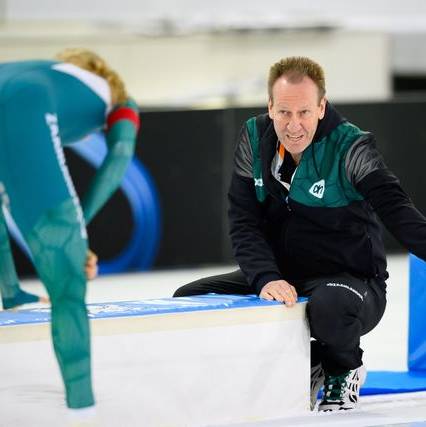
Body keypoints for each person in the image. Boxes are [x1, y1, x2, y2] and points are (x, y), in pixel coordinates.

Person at [173, 56, 426, 412]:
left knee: (329, 307)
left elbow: (399, 214)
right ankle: (301, 363)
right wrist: (265, 277)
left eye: (305, 112)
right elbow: (243, 221)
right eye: (284, 113)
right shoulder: (253, 138)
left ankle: (343, 367)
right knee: (189, 298)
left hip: (350, 281)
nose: (294, 126)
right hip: (284, 275)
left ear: (322, 107)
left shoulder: (351, 148)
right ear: (270, 108)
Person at [0, 48, 140, 409]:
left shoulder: (49, 69)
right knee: (67, 285)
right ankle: (83, 407)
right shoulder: (117, 97)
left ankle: (11, 291)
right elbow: (119, 156)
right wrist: (78, 230)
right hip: (26, 105)